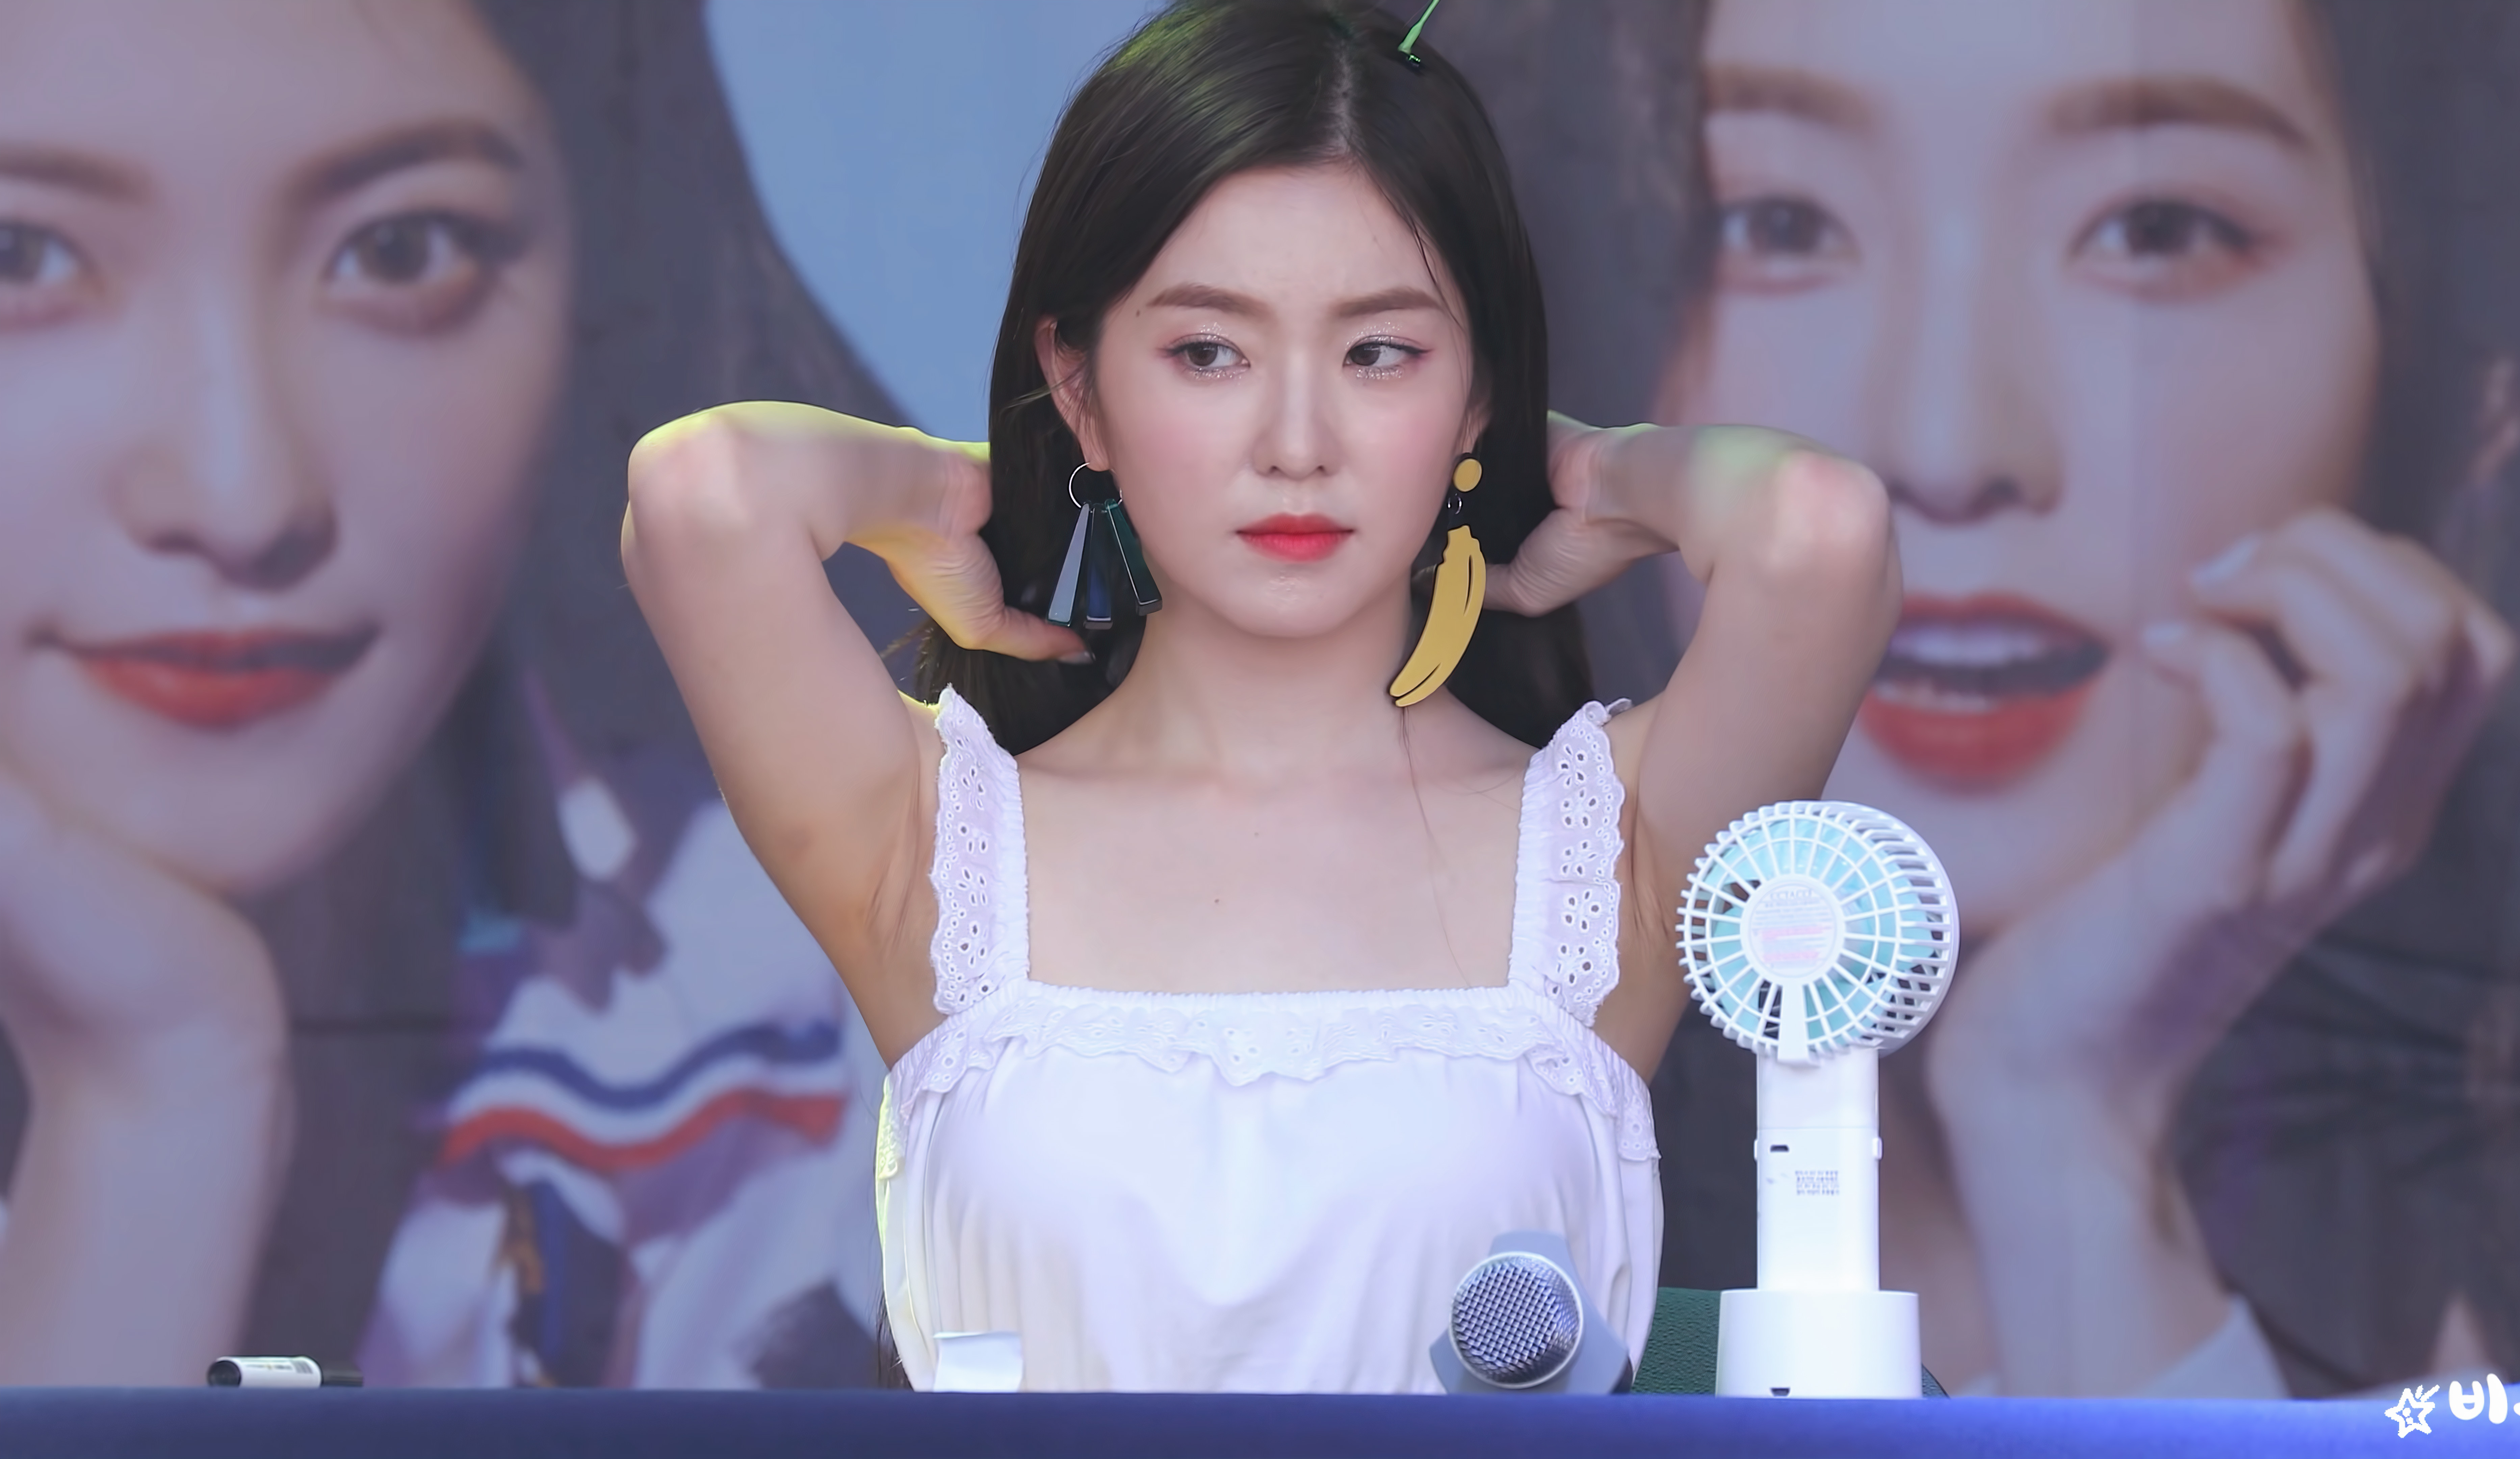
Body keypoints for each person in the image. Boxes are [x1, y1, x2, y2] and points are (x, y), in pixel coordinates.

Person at [623, 0, 1898, 1392]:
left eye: (1380, 354)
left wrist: (1587, 475)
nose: (1298, 444)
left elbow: (1817, 535)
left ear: (1475, 396)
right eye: (1209, 354)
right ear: (1080, 384)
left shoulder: (1607, 854)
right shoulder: (934, 845)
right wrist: (954, 492)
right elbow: (704, 497)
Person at [1450, 0, 2520, 1396]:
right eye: (1775, 224)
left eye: (2156, 229)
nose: (1948, 446)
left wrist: (2062, 1118)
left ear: (2476, 391)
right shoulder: (1463, 1151)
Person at [0, 0, 908, 1385]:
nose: (245, 496)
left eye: (401, 251)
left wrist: (156, 1080)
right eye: (20, 255)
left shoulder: (813, 984)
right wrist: (148, 1127)